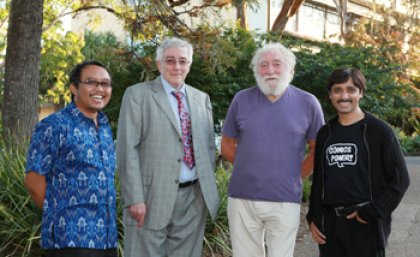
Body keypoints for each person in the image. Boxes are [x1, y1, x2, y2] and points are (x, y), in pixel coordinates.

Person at [116, 37, 219, 257]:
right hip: (150, 197)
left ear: (189, 64)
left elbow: (208, 148)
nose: (177, 66)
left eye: (182, 61)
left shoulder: (202, 99)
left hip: (193, 199)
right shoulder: (137, 95)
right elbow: (127, 150)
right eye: (170, 60)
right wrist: (135, 198)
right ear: (159, 64)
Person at [221, 42, 325, 257]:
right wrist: (250, 169)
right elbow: (227, 146)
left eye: (277, 64)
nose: (270, 70)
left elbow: (317, 151)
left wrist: (294, 177)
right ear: (256, 70)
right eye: (263, 65)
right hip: (242, 198)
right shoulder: (241, 99)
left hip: (285, 198)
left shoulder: (308, 102)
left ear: (290, 70)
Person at [306, 67, 410, 257]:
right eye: (338, 90)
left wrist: (373, 211)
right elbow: (320, 179)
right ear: (330, 94)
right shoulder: (325, 133)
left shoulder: (378, 131)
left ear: (360, 93)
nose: (344, 96)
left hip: (365, 224)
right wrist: (313, 216)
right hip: (330, 226)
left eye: (351, 89)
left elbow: (400, 180)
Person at [24, 60, 118, 257]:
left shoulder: (104, 126)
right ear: (74, 87)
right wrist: (61, 214)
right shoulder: (55, 125)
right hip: (70, 238)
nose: (99, 89)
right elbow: (34, 181)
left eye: (105, 83)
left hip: (107, 238)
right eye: (91, 82)